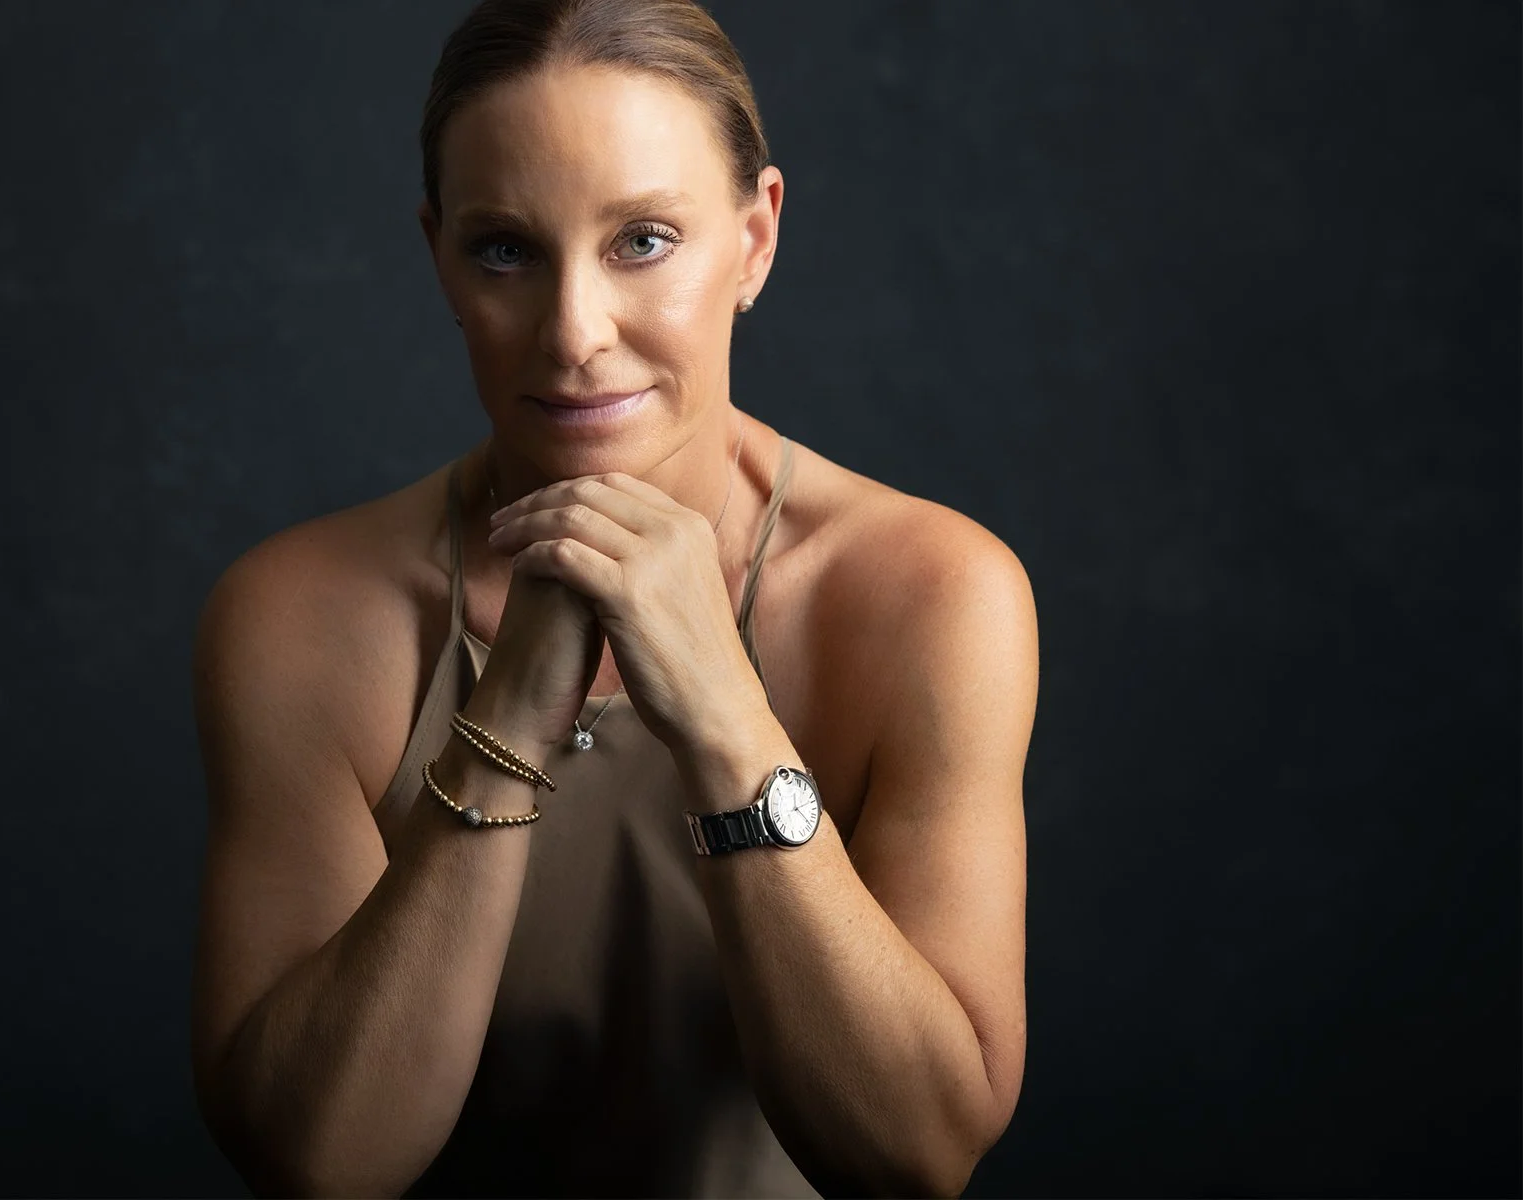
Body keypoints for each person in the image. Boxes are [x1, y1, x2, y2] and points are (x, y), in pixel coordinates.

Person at [188, 1, 1037, 1195]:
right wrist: (509, 721)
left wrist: (723, 711)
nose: (574, 334)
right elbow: (322, 1160)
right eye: (505, 251)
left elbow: (919, 1153)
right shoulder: (302, 616)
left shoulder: (932, 596)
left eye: (642, 240)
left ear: (754, 240)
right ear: (438, 257)